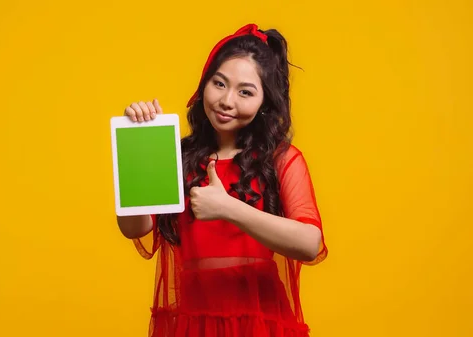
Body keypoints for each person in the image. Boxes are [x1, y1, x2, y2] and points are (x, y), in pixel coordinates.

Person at [116, 23, 328, 337]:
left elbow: (311, 245)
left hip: (259, 321)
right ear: (204, 85)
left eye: (246, 92)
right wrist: (138, 143)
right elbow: (135, 228)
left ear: (264, 103)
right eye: (219, 83)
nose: (227, 100)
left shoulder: (281, 159)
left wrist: (228, 208)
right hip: (193, 321)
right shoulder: (178, 155)